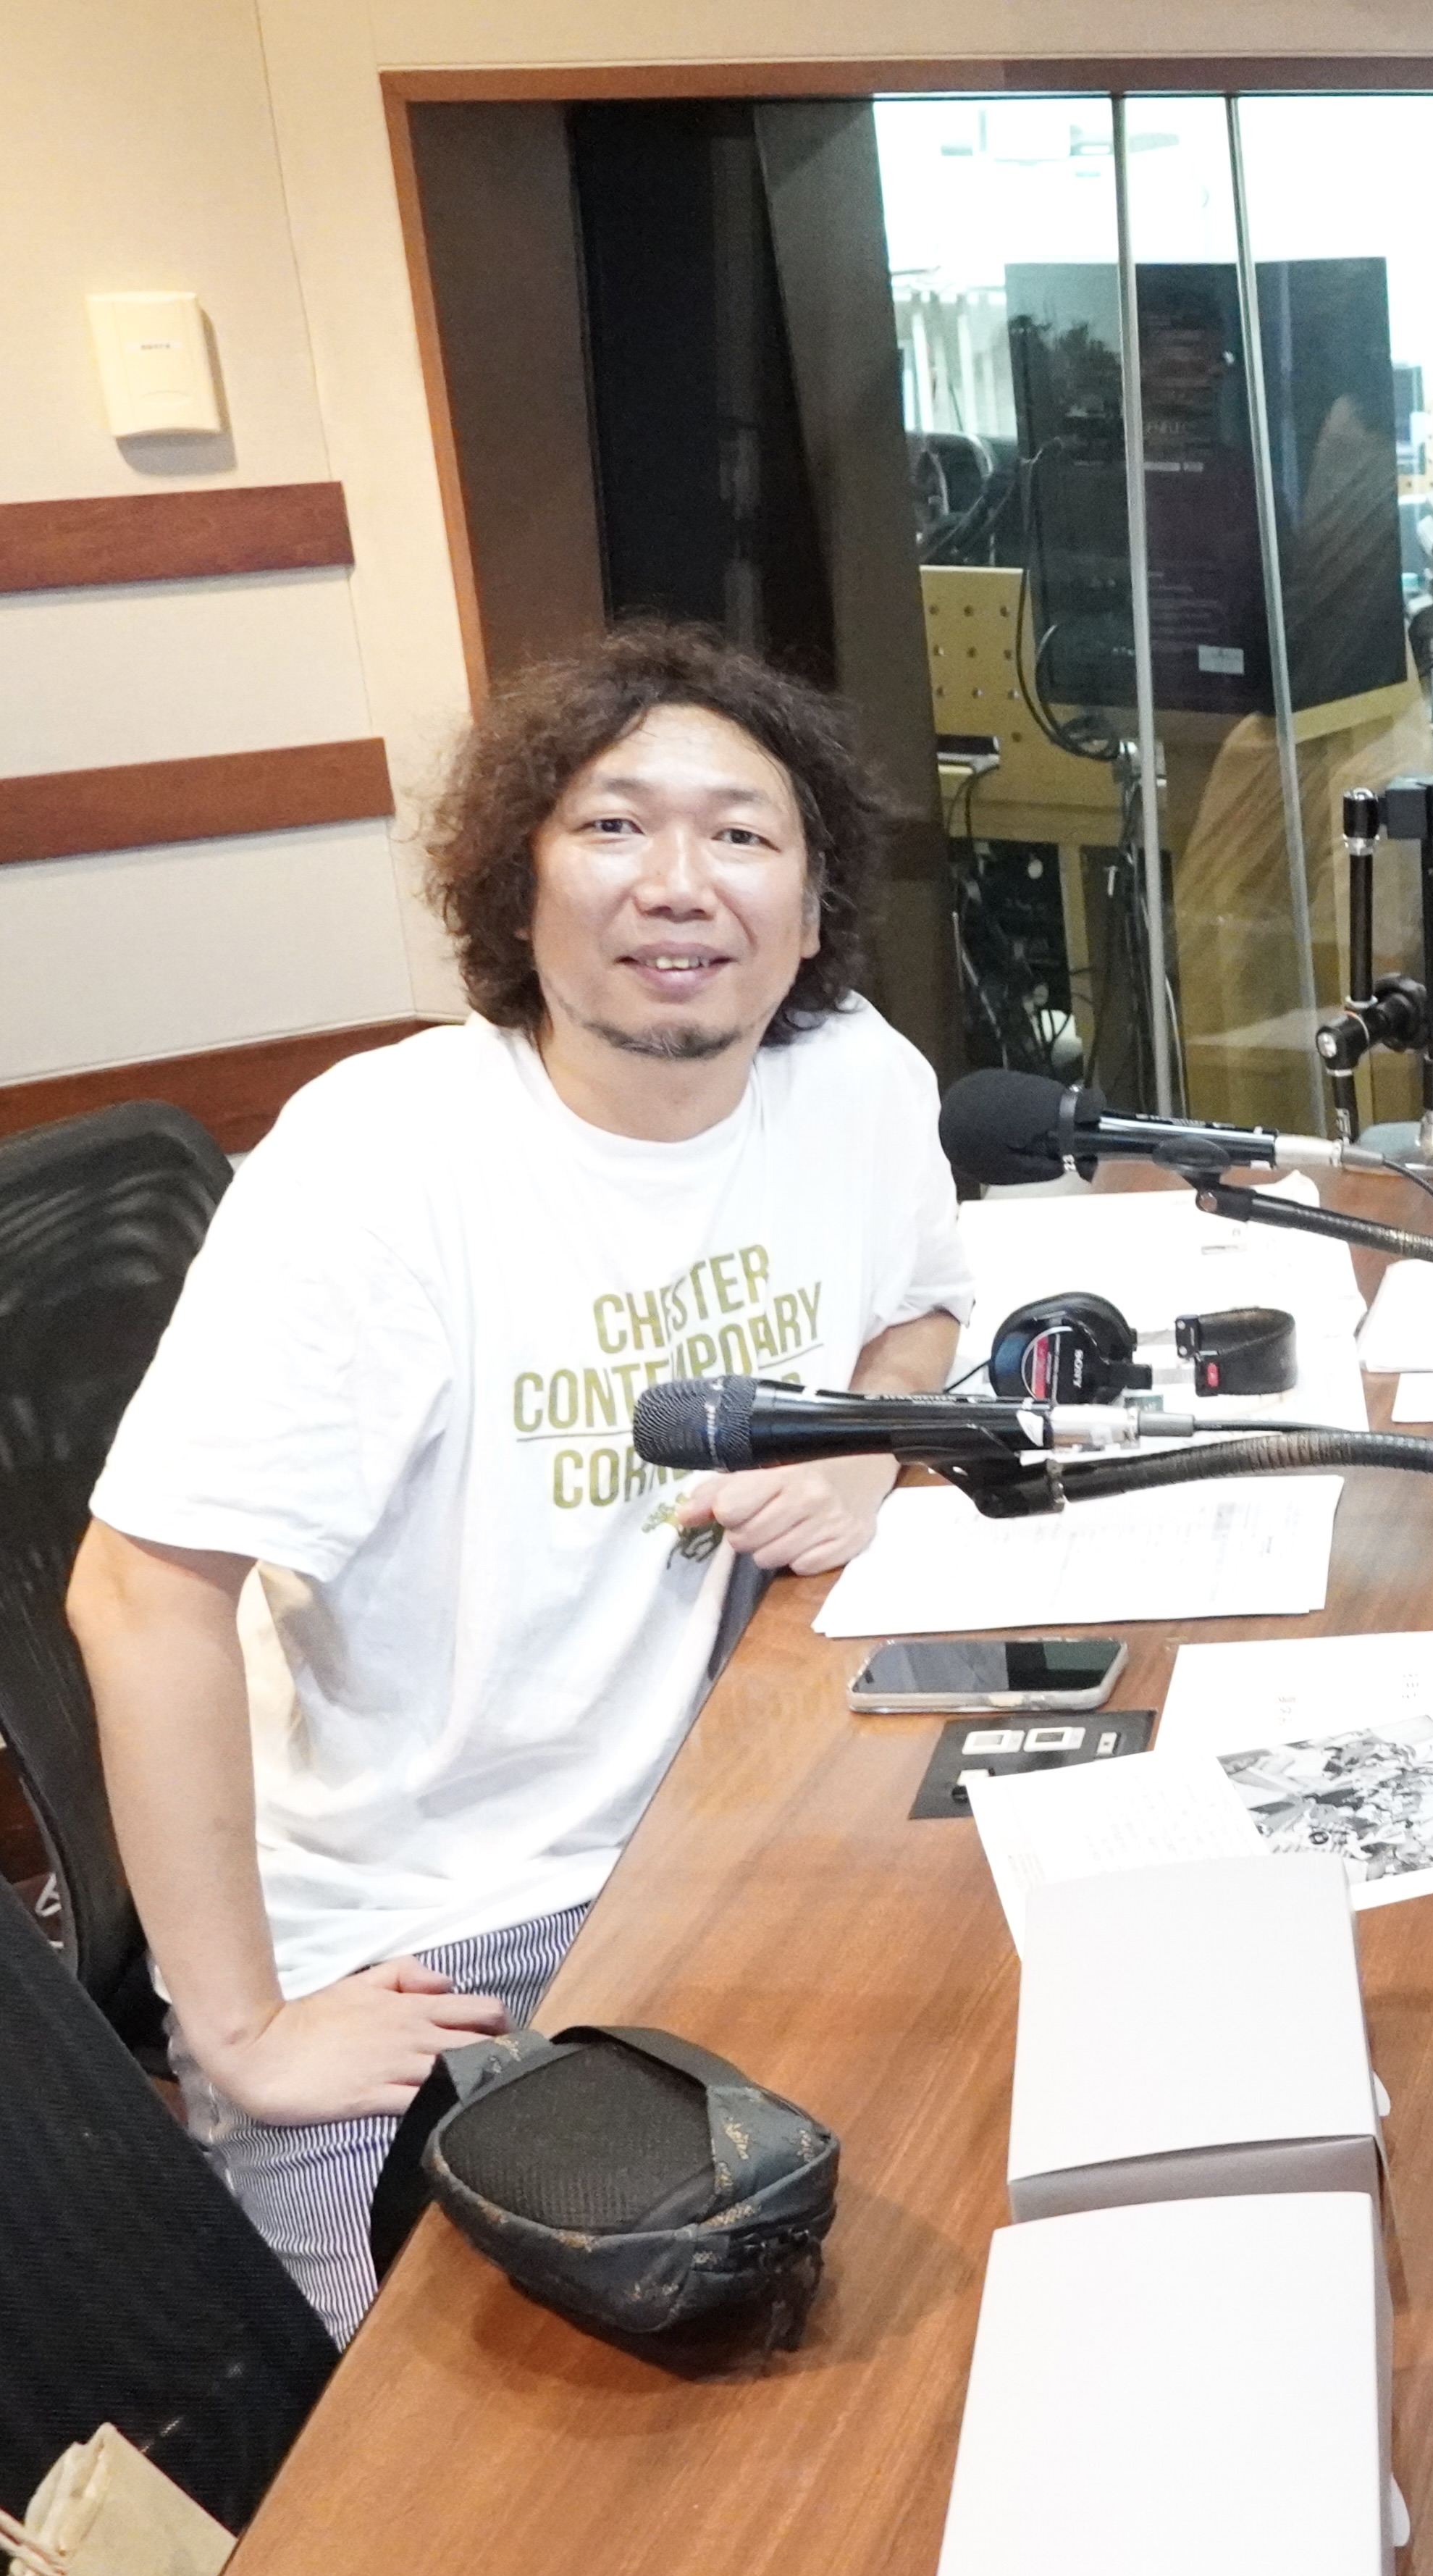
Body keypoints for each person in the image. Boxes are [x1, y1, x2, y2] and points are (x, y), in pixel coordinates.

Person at [69, 623, 976, 2338]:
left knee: (943, 2246)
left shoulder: (852, 1079)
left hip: (718, 1825)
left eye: (742, 833)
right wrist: (248, 2031)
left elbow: (924, 1311)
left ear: (813, 900)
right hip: (419, 1929)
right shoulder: (381, 1161)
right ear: (517, 883)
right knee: (426, 2427)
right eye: (614, 826)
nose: (679, 882)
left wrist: (865, 1441)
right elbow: (137, 1592)